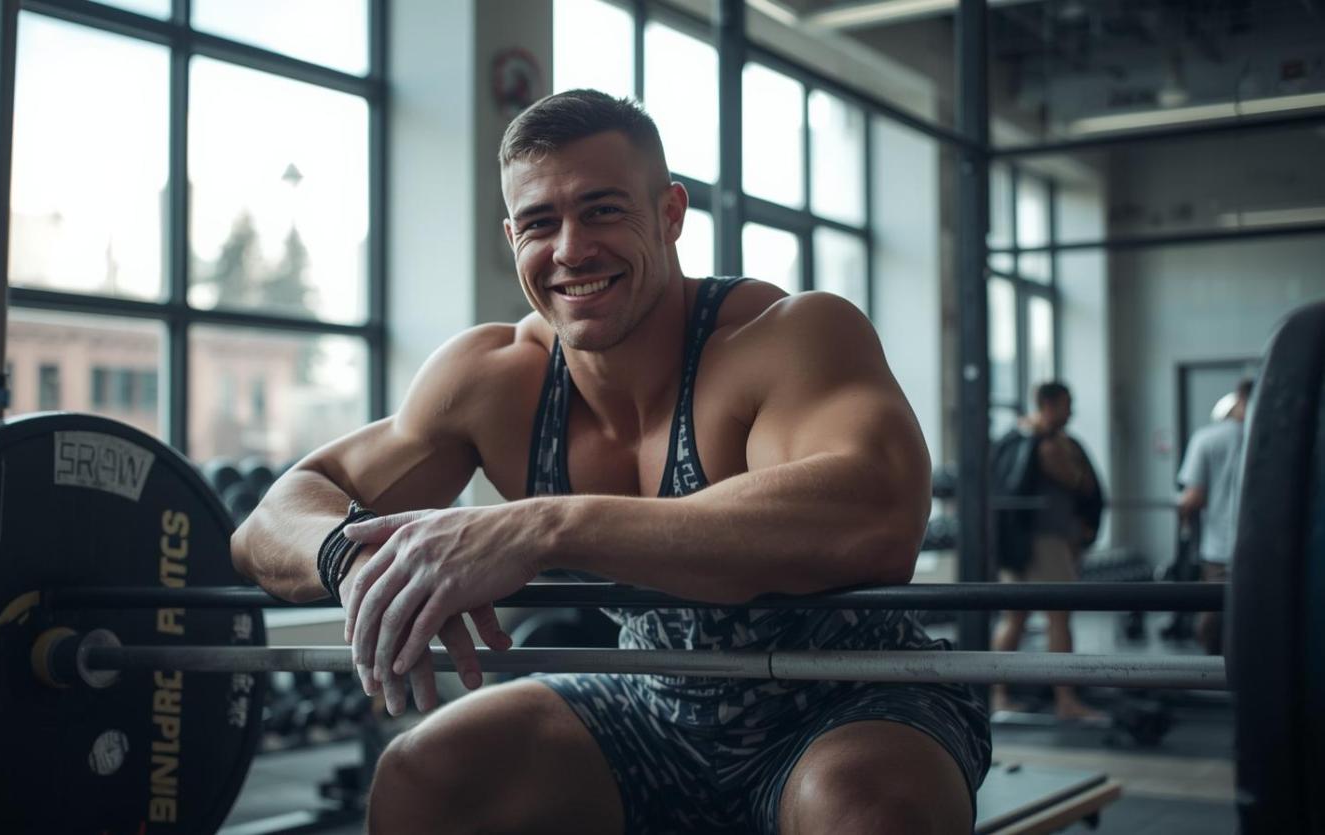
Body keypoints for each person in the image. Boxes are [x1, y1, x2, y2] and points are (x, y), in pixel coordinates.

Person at [231, 89, 989, 835]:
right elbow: (271, 519)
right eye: (539, 222)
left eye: (601, 209)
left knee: (860, 808)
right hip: (652, 705)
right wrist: (353, 561)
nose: (570, 249)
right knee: (424, 772)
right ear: (511, 238)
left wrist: (547, 526)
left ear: (669, 215)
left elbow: (876, 514)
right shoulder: (496, 380)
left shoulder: (785, 335)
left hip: (850, 701)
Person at [990, 382, 1106, 721]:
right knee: (1058, 616)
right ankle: (1066, 701)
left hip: (1023, 542)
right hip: (1044, 541)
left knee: (1015, 617)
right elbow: (1077, 481)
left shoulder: (1015, 440)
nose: (1072, 412)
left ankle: (998, 695)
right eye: (1068, 404)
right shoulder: (1045, 444)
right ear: (1049, 404)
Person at [1176, 378, 1251, 655]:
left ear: (1238, 399)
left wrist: (1182, 511)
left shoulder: (1207, 438)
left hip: (1220, 550)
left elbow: (1193, 497)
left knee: (1215, 622)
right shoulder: (1280, 437)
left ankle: (1219, 680)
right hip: (1268, 550)